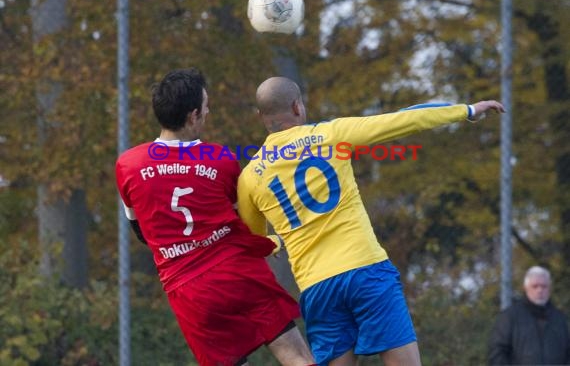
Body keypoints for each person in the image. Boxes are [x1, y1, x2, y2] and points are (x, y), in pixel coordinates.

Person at [237, 76, 505, 366]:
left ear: (260, 116)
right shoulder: (332, 134)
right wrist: (466, 110)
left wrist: (278, 241)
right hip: (366, 270)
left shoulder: (250, 178)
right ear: (297, 106)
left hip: (317, 288)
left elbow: (255, 244)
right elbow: (403, 120)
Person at [115, 69, 315, 366]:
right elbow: (243, 220)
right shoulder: (221, 159)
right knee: (295, 355)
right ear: (193, 116)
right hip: (238, 274)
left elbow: (140, 231)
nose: (208, 111)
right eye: (206, 106)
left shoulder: (128, 165)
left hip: (188, 291)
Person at [488, 266, 570, 365]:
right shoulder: (509, 317)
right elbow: (497, 354)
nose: (540, 290)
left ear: (549, 289)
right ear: (526, 288)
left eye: (544, 286)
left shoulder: (559, 319)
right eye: (535, 286)